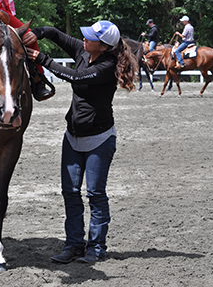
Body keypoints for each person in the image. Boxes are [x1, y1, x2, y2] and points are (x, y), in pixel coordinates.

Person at [24, 21, 137, 264]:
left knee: (95, 194)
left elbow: (75, 77)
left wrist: (43, 59)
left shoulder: (107, 66)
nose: (83, 39)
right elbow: (54, 33)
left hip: (100, 139)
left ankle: (96, 248)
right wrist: (36, 33)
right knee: (70, 193)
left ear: (104, 46)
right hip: (72, 137)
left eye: (90, 37)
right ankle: (74, 245)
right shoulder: (84, 50)